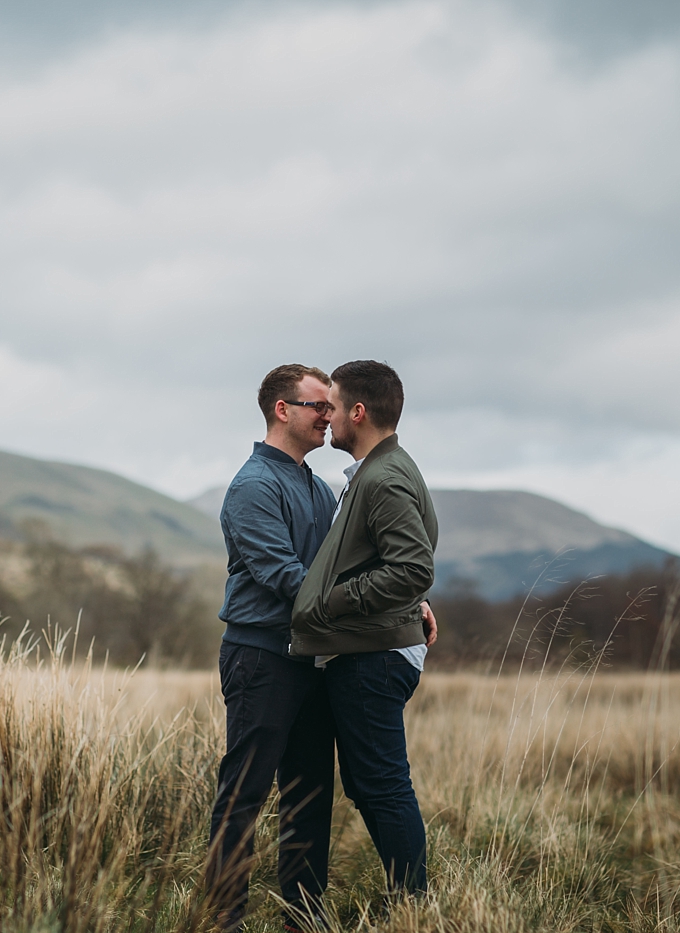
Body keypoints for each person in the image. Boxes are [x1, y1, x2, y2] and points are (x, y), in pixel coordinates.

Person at [290, 360, 439, 897]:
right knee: (371, 784)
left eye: (331, 403)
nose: (325, 413)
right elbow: (400, 566)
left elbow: (412, 568)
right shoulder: (380, 472)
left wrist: (332, 603)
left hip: (373, 656)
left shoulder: (383, 477)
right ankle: (411, 898)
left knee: (382, 785)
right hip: (371, 648)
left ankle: (416, 904)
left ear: (359, 411)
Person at [206, 363, 340, 932]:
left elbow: (343, 568)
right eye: (318, 407)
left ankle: (302, 919)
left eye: (330, 408)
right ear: (282, 410)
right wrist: (365, 605)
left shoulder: (320, 487)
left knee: (309, 793)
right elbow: (285, 576)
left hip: (314, 660)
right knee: (245, 791)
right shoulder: (253, 486)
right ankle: (222, 917)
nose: (328, 417)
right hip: (260, 657)